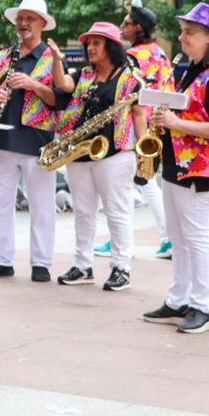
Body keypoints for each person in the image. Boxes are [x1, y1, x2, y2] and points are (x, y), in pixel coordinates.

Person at [144, 3, 209, 335]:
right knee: (178, 237)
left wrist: (175, 122)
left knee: (197, 237)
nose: (181, 36)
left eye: (189, 32)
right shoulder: (195, 71)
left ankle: (202, 307)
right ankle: (179, 301)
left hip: (200, 169)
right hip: (180, 165)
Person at [0, 0, 63, 284]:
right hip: (1, 138)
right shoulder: (2, 57)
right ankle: (1, 260)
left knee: (41, 205)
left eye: (30, 19)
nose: (23, 23)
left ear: (42, 24)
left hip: (38, 141)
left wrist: (33, 85)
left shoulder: (53, 59)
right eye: (21, 18)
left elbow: (61, 100)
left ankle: (41, 262)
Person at [51, 22, 141, 292]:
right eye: (88, 43)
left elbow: (138, 114)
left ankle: (121, 267)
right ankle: (83, 264)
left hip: (115, 152)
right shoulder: (83, 75)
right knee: (83, 212)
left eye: (96, 43)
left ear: (111, 47)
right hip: (81, 151)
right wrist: (57, 60)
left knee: (117, 211)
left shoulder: (129, 77)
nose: (90, 48)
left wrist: (143, 153)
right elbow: (62, 84)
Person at [117, 3, 174, 259]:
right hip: (158, 124)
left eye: (126, 23)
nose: (122, 27)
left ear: (137, 28)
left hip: (134, 126)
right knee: (134, 183)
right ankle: (120, 236)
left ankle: (167, 236)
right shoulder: (160, 54)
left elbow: (133, 98)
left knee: (142, 182)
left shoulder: (132, 57)